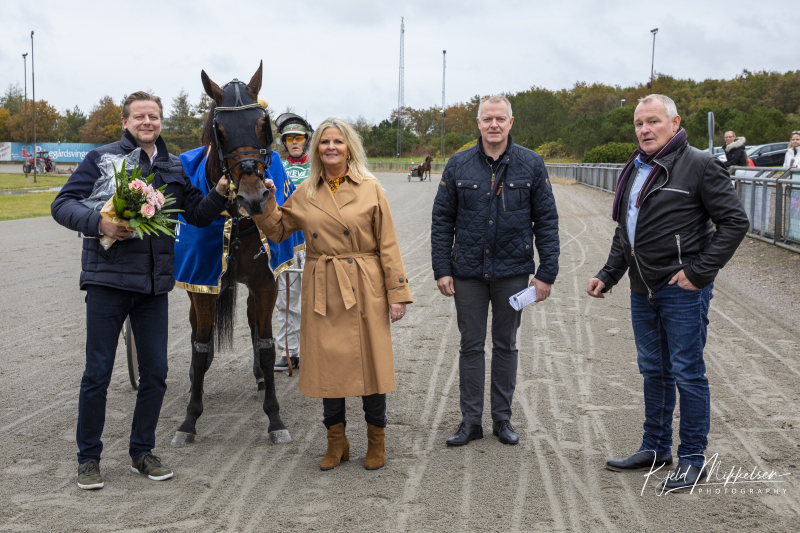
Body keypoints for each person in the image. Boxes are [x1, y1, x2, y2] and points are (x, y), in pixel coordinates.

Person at [51, 92, 230, 490]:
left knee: (156, 374)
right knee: (97, 374)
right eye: (139, 116)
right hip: (107, 283)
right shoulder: (102, 158)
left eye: (154, 116)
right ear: (125, 121)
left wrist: (218, 191)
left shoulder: (172, 166)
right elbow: (62, 203)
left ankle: (141, 452)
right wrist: (100, 223)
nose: (147, 121)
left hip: (153, 287)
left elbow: (197, 215)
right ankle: (89, 458)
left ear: (161, 121)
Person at [587, 94, 749, 493]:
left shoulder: (700, 165)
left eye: (654, 121)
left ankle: (693, 459)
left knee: (687, 373)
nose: (645, 130)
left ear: (674, 123)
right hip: (644, 290)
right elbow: (627, 230)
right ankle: (656, 448)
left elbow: (734, 222)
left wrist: (697, 272)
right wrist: (609, 274)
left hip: (681, 290)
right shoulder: (636, 167)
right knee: (653, 371)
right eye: (640, 123)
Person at [253, 118, 412, 471]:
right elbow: (278, 230)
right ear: (316, 149)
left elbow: (388, 243)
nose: (331, 148)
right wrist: (266, 202)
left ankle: (376, 439)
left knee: (370, 362)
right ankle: (336, 442)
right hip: (323, 285)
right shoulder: (307, 191)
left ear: (349, 147)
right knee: (328, 366)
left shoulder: (370, 187)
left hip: (364, 283)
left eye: (337, 142)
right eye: (324, 142)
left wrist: (396, 292)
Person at [431, 95, 560, 447]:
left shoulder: (531, 164)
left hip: (513, 273)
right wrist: (442, 268)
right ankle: (470, 420)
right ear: (478, 123)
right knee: (471, 345)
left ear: (510, 122)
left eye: (500, 119)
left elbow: (546, 220)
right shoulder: (458, 165)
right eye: (487, 119)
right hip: (467, 273)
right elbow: (442, 220)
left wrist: (546, 272)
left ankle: (502, 419)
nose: (494, 125)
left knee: (506, 344)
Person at [272, 112, 314, 371]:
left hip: (316, 240)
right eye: (289, 138)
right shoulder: (276, 167)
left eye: (299, 137)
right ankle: (290, 352)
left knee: (321, 298)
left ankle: (320, 349)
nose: (294, 142)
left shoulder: (320, 166)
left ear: (307, 140)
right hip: (287, 242)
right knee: (286, 300)